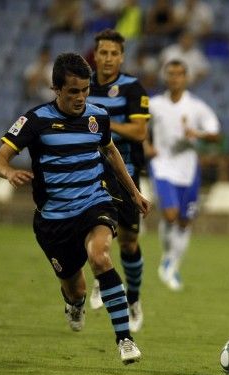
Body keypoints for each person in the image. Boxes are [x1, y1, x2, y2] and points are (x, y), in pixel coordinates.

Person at [0, 52, 151, 365]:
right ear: (56, 89)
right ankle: (74, 303)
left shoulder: (98, 117)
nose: (80, 97)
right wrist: (9, 172)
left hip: (94, 203)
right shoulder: (35, 121)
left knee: (101, 256)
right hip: (54, 220)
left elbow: (112, 152)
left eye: (85, 90)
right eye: (73, 91)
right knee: (76, 289)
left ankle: (125, 340)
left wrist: (133, 192)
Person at [86, 29, 150, 334]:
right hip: (89, 172)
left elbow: (139, 133)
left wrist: (104, 128)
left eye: (114, 53)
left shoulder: (133, 89)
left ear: (121, 57)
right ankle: (101, 277)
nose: (108, 58)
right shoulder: (81, 86)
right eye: (103, 53)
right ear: (95, 55)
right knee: (92, 230)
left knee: (129, 242)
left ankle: (134, 299)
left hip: (124, 174)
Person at [149, 59, 221, 291]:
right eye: (170, 74)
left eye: (179, 74)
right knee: (170, 215)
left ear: (186, 78)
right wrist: (144, 145)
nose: (175, 78)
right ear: (165, 76)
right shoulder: (155, 104)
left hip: (188, 169)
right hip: (162, 165)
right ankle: (167, 256)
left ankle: (172, 263)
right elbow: (138, 125)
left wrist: (196, 133)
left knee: (184, 221)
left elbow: (215, 134)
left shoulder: (196, 107)